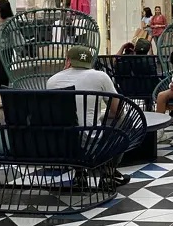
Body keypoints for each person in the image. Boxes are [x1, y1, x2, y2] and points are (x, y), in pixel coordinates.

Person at [46, 45, 129, 186]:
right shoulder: (100, 76)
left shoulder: (52, 81)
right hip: (90, 139)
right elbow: (118, 111)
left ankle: (80, 173)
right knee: (124, 118)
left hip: (62, 141)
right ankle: (108, 173)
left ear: (68, 61)